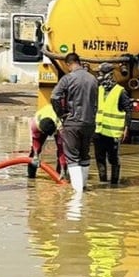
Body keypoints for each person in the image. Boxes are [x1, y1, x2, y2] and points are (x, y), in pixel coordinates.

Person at [49, 53, 98, 193]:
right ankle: (83, 187)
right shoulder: (93, 79)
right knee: (84, 155)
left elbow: (54, 97)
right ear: (79, 62)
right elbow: (96, 102)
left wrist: (61, 115)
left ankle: (77, 194)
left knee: (72, 157)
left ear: (68, 64)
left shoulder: (68, 78)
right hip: (89, 123)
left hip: (73, 122)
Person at [93, 67, 134, 186]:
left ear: (109, 75)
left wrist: (126, 128)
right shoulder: (99, 90)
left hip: (113, 133)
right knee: (99, 158)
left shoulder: (120, 91)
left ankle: (114, 184)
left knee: (113, 159)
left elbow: (128, 111)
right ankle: (102, 183)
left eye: (101, 74)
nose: (99, 76)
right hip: (99, 131)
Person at [29, 106, 65, 180]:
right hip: (43, 119)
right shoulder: (35, 124)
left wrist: (63, 168)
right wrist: (36, 154)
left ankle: (60, 175)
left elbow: (62, 149)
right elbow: (36, 141)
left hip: (56, 120)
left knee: (61, 154)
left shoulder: (60, 126)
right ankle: (31, 176)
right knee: (34, 153)